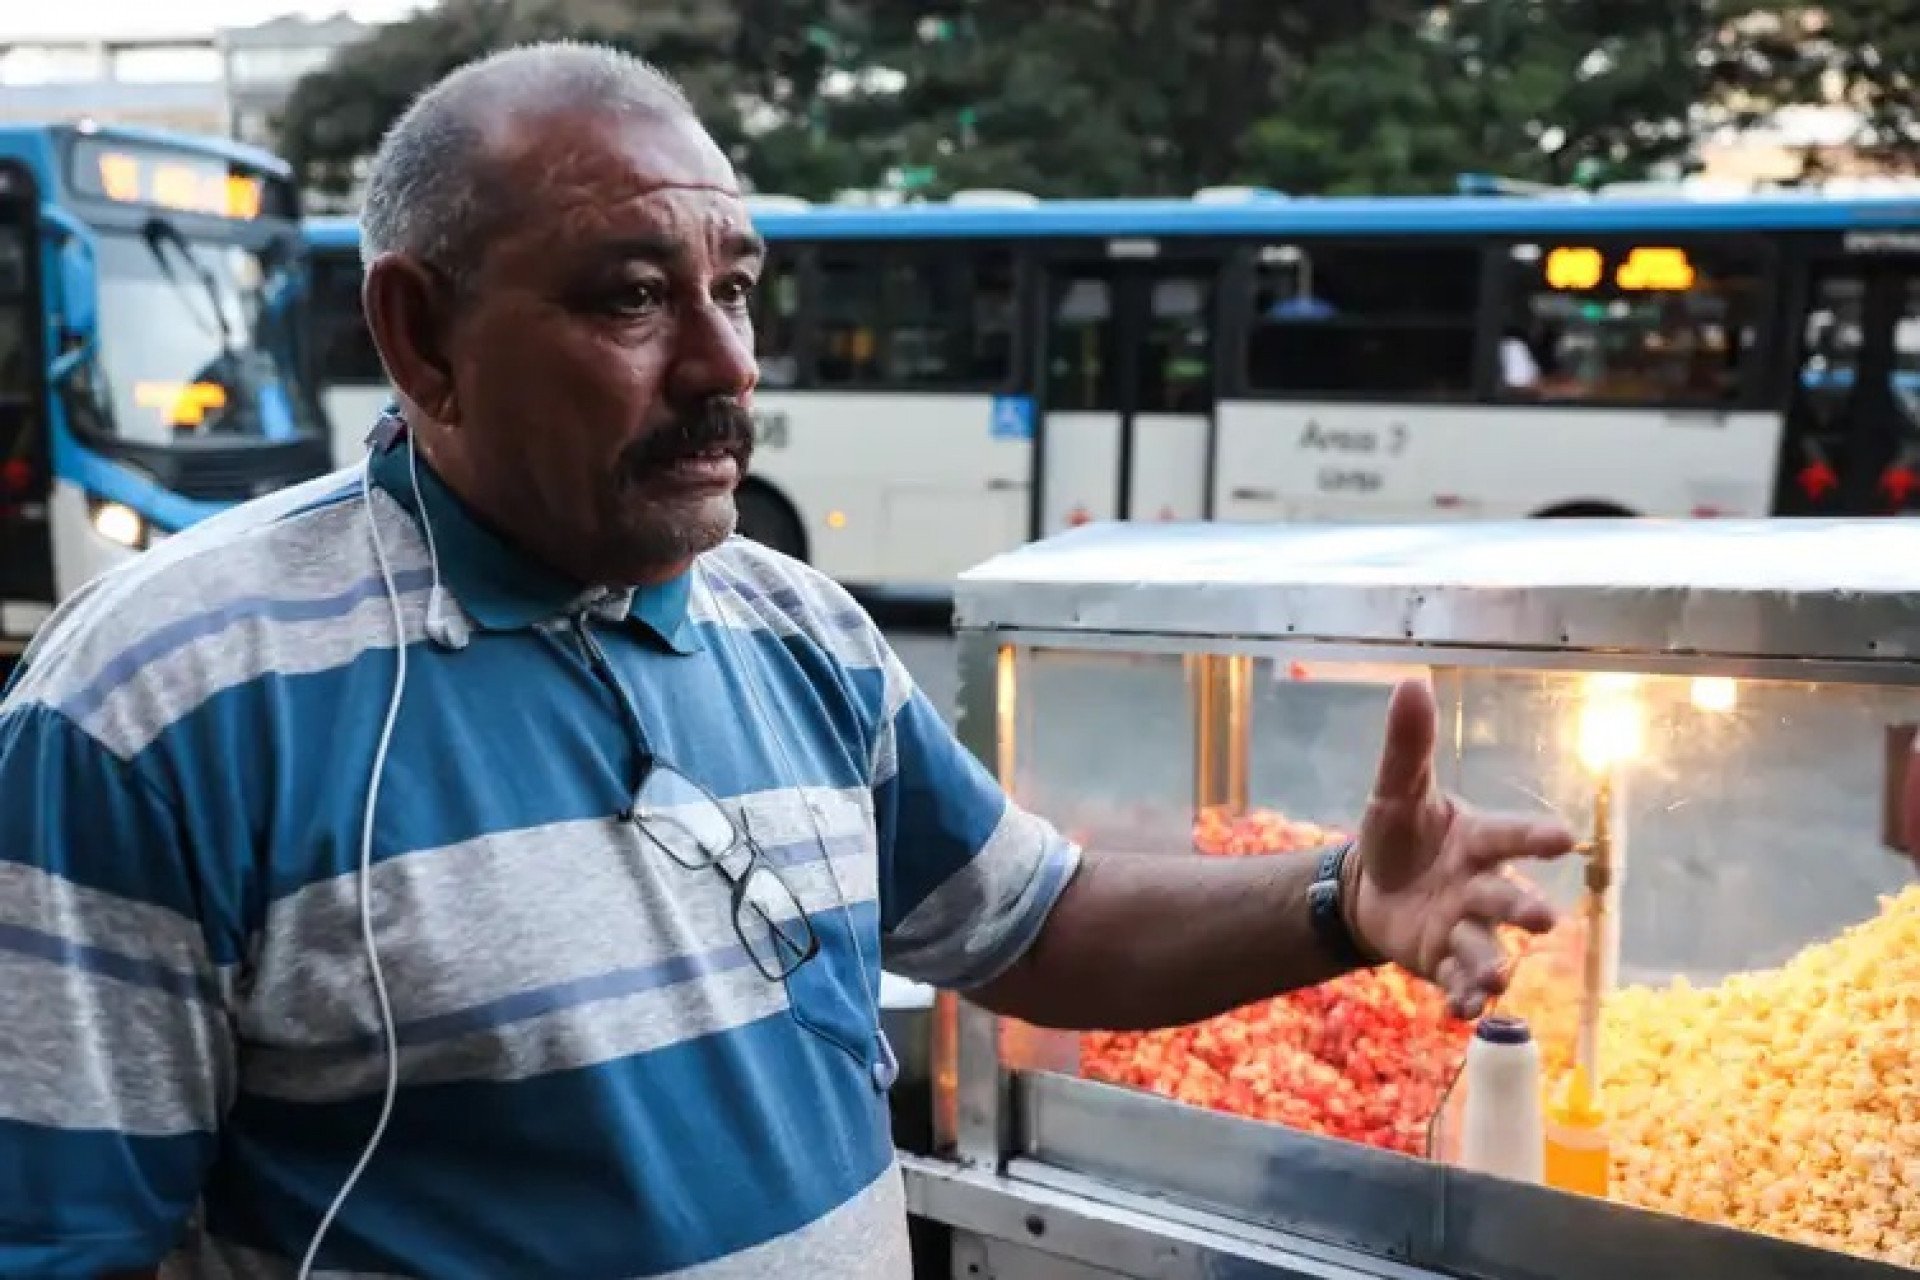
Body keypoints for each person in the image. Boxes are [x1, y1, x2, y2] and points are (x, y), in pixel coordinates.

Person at [0, 42, 1573, 1280]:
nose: (726, 364)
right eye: (632, 297)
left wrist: (1340, 902)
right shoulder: (159, 706)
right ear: (421, 340)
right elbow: (73, 1244)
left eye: (736, 290)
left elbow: (1035, 924)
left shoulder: (798, 629)